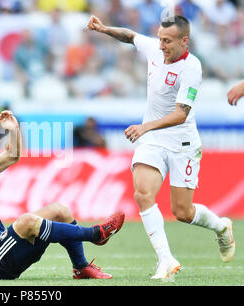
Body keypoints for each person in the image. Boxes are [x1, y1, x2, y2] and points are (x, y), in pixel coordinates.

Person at [87, 15, 235, 281]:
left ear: (184, 41)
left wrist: (144, 127)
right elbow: (131, 36)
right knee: (143, 193)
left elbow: (181, 114)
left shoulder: (192, 68)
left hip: (182, 143)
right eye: (159, 39)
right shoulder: (156, 49)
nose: (161, 45)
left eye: (167, 41)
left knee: (182, 212)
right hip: (153, 141)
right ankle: (166, 260)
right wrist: (104, 29)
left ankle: (221, 226)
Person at [0, 110, 125, 280]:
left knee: (59, 210)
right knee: (27, 221)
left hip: (8, 248)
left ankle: (80, 268)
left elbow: (13, 155)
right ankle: (96, 235)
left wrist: (13, 130)